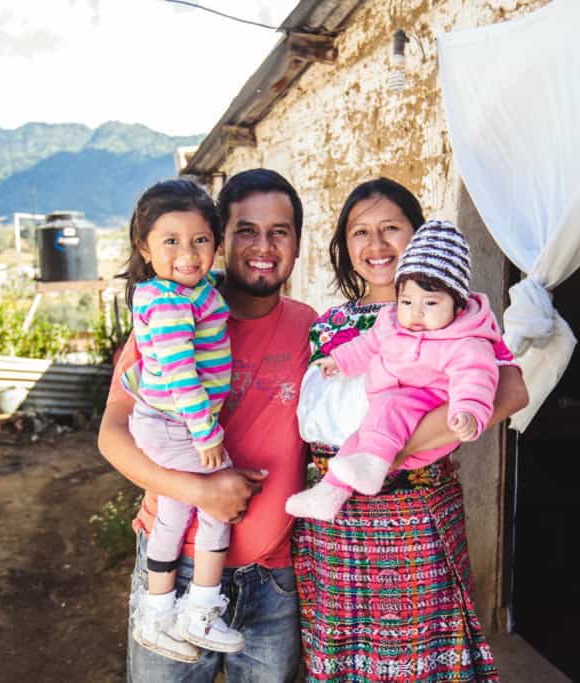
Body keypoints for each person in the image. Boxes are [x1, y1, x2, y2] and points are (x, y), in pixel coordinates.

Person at [291, 178, 529, 682]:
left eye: (391, 229)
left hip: (412, 514)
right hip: (336, 524)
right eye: (360, 232)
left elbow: (510, 393)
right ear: (344, 244)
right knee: (342, 650)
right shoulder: (329, 324)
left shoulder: (458, 318)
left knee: (420, 653)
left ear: (417, 236)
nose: (375, 245)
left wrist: (389, 453)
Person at [98, 169, 317, 682]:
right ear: (223, 241)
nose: (262, 246)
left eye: (279, 231)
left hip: (273, 578)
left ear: (297, 243)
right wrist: (200, 490)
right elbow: (112, 434)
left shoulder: (313, 328)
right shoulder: (171, 316)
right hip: (174, 573)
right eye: (246, 230)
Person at [286, 220, 502, 521]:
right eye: (407, 301)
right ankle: (328, 494)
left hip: (429, 408)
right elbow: (367, 345)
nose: (415, 312)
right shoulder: (391, 323)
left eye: (430, 303)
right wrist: (340, 362)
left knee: (388, 410)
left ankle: (373, 466)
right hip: (386, 417)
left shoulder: (465, 343)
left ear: (457, 307)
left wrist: (468, 412)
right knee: (357, 439)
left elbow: (476, 380)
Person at [120, 180, 243, 660]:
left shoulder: (183, 290)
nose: (188, 254)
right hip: (180, 423)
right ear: (144, 247)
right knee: (217, 504)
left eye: (200, 241)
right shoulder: (170, 303)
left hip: (165, 421)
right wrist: (205, 432)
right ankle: (200, 610)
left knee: (172, 511)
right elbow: (182, 376)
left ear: (215, 243)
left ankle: (156, 613)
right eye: (170, 241)